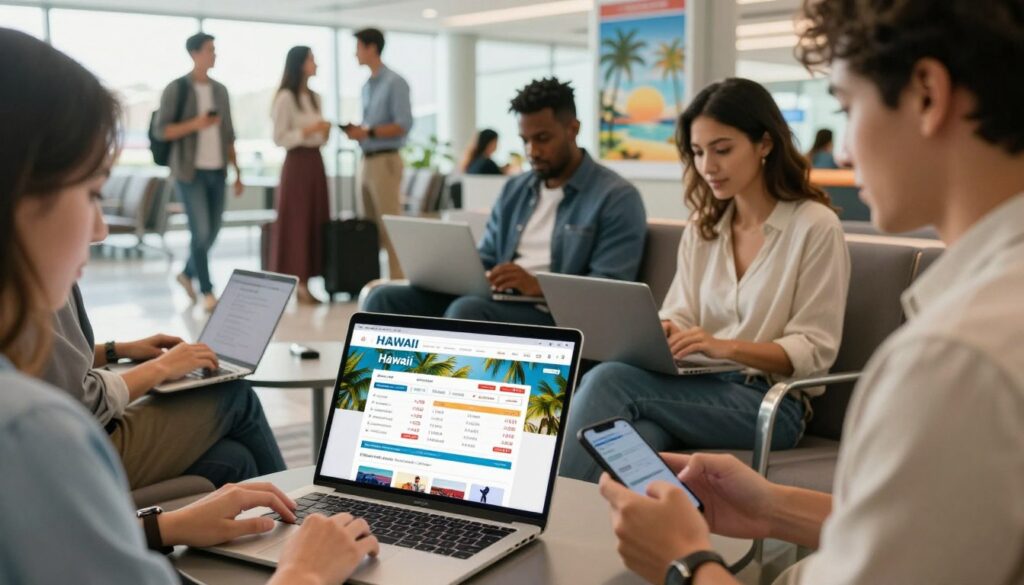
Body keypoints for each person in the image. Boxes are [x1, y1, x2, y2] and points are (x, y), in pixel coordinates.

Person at [597, 0, 1024, 583]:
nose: (841, 151)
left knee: (613, 392)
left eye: (847, 107)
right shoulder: (981, 323)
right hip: (709, 390)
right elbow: (938, 533)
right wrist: (773, 507)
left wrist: (687, 563)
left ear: (928, 94)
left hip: (769, 398)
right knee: (639, 436)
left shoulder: (954, 357)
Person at [0, 27, 377, 584]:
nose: (100, 229)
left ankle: (284, 528)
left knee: (239, 467)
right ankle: (302, 532)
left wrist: (164, 527)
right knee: (235, 402)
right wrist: (305, 572)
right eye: (92, 192)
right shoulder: (30, 431)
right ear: (18, 195)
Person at [560, 78, 850, 482]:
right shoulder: (705, 226)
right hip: (698, 387)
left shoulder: (815, 226)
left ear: (765, 144)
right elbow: (681, 310)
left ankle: (546, 508)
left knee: (610, 381)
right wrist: (665, 329)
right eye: (697, 152)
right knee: (636, 439)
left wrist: (724, 347)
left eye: (722, 150)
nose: (708, 166)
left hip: (772, 403)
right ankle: (653, 525)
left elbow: (813, 351)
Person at [364, 77, 647, 326]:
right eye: (525, 140)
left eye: (542, 138)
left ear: (573, 129)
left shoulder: (615, 197)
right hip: (501, 301)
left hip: (555, 315)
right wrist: (451, 270)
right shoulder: (515, 189)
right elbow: (488, 256)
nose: (532, 151)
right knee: (383, 299)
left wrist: (537, 286)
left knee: (467, 310)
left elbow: (611, 290)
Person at [43, 283, 285, 489]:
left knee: (236, 458)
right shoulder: (41, 277)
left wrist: (117, 350)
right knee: (236, 395)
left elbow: (54, 359)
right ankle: (297, 513)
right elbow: (83, 402)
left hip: (77, 439)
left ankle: (278, 517)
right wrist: (160, 368)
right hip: (77, 450)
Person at [156, 32, 244, 312]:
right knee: (200, 230)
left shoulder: (220, 91)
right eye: (209, 50)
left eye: (214, 50)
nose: (214, 54)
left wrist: (237, 172)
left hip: (217, 171)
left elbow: (229, 134)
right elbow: (162, 130)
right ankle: (207, 291)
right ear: (194, 53)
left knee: (211, 232)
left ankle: (186, 273)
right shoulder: (176, 89)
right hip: (188, 172)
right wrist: (196, 124)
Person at [343, 27, 413, 279]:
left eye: (358, 48)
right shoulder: (366, 86)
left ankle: (398, 282)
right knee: (369, 229)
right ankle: (374, 282)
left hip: (386, 160)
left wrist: (369, 132)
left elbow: (403, 124)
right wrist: (360, 132)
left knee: (390, 226)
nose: (355, 54)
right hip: (366, 160)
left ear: (371, 48)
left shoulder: (395, 82)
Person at [270, 45, 332, 305]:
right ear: (299, 64)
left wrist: (323, 132)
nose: (315, 64)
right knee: (297, 221)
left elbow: (320, 138)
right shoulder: (285, 97)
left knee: (316, 219)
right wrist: (308, 131)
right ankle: (299, 281)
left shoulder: (315, 97)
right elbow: (279, 137)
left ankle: (311, 278)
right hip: (296, 164)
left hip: (316, 162)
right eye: (311, 59)